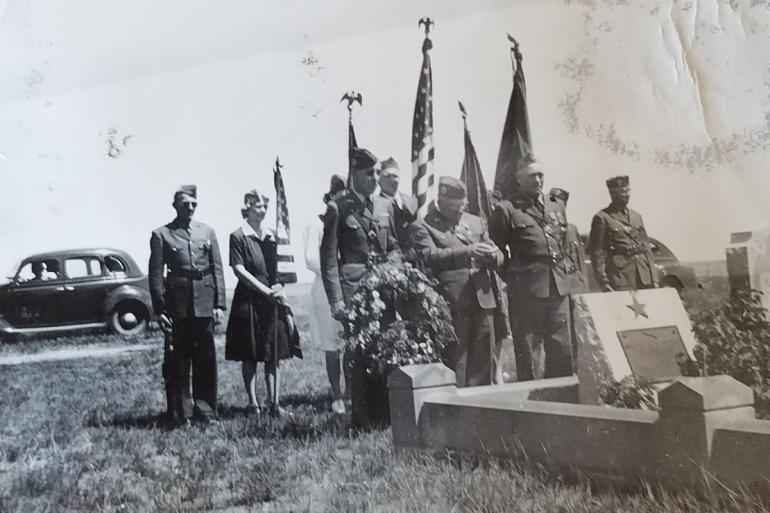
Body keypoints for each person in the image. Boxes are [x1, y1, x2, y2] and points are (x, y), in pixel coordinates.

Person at [320, 146, 399, 428]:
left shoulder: (382, 206)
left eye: (377, 173)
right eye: (369, 174)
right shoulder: (338, 208)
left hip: (383, 289)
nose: (375, 179)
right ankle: (362, 417)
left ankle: (384, 415)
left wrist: (393, 267)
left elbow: (393, 247)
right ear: (355, 175)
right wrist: (336, 301)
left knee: (384, 348)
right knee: (359, 353)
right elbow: (329, 259)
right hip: (354, 292)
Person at [410, 176, 504, 387]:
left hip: (483, 299)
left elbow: (498, 253)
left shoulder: (475, 222)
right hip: (452, 302)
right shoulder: (423, 226)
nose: (460, 211)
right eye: (454, 207)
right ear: (440, 201)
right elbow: (428, 255)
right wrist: (467, 251)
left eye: (462, 206)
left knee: (483, 361)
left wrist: (493, 257)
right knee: (456, 361)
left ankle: (481, 411)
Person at [489, 158, 577, 381]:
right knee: (529, 352)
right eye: (531, 176)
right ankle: (532, 405)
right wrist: (514, 276)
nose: (538, 180)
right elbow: (496, 250)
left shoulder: (556, 204)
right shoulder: (507, 208)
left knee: (562, 349)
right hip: (526, 292)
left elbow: (564, 242)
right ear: (519, 179)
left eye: (540, 175)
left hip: (558, 288)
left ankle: (563, 399)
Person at [149, 184, 226, 426]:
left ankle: (206, 412)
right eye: (185, 204)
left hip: (204, 303)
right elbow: (155, 275)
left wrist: (219, 304)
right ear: (175, 206)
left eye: (194, 204)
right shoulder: (162, 234)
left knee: (205, 360)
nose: (190, 208)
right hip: (177, 306)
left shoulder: (207, 232)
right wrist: (160, 310)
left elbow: (217, 270)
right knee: (178, 361)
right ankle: (181, 414)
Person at [225, 189, 299, 418]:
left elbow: (281, 267)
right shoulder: (238, 236)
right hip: (248, 301)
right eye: (258, 206)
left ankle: (274, 403)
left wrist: (277, 289)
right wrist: (264, 290)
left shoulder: (272, 236)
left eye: (266, 206)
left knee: (273, 353)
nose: (263, 211)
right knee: (250, 353)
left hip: (272, 300)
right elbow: (239, 270)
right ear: (247, 208)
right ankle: (253, 403)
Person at [304, 175, 346, 414]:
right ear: (331, 196)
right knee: (333, 344)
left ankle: (352, 391)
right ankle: (336, 394)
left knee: (351, 342)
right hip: (326, 288)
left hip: (349, 286)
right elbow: (311, 258)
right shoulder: (317, 223)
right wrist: (334, 276)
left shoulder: (349, 221)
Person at [587, 175, 658, 291]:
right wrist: (603, 281)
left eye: (628, 191)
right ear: (612, 194)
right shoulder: (602, 218)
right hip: (620, 277)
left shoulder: (637, 217)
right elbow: (597, 252)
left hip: (644, 276)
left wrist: (654, 278)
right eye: (622, 192)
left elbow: (646, 248)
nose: (627, 194)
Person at [374, 157, 418, 251]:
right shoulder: (375, 205)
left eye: (395, 176)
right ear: (379, 180)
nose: (392, 180)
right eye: (387, 176)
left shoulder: (412, 202)